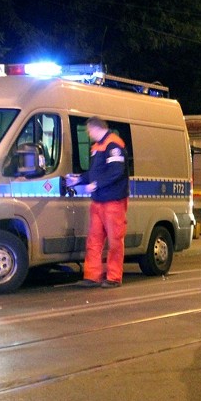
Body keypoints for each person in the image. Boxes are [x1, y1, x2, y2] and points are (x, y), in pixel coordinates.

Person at [67, 117, 129, 288]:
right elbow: (93, 173)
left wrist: (96, 184)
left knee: (115, 241)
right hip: (99, 201)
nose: (88, 133)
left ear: (96, 128)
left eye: (89, 130)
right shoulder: (97, 147)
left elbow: (116, 171)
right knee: (94, 240)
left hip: (113, 202)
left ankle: (114, 277)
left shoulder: (113, 144)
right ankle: (92, 276)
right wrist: (78, 180)